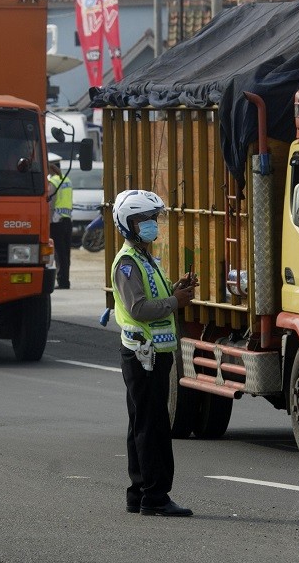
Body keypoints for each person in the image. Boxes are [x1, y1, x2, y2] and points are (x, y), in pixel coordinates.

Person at [110, 189, 198, 517]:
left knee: (142, 423)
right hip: (143, 355)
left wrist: (176, 289)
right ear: (128, 224)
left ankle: (138, 494)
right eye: (144, 219)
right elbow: (139, 308)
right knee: (153, 426)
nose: (152, 224)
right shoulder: (128, 264)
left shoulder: (144, 258)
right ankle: (155, 497)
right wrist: (176, 302)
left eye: (153, 218)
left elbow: (153, 296)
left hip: (151, 354)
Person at [47, 156, 73, 289]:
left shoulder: (53, 181)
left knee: (59, 253)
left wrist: (47, 220)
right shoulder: (67, 180)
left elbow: (50, 203)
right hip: (67, 219)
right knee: (66, 253)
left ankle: (62, 281)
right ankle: (65, 281)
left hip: (56, 221)